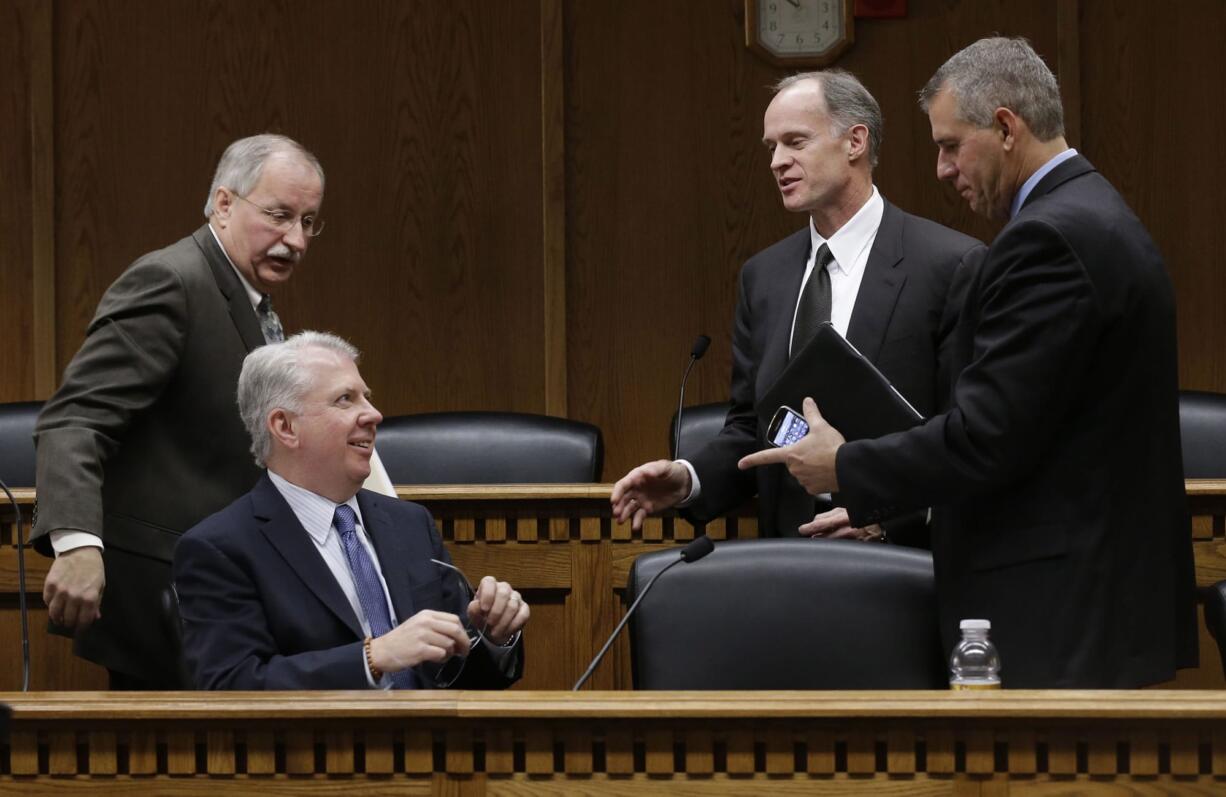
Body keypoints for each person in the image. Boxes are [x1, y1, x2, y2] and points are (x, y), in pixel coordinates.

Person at [740, 37, 1198, 688]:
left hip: (1064, 610)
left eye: (952, 145)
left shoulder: (1047, 240)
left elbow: (987, 436)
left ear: (1006, 127)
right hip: (1094, 600)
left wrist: (843, 464)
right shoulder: (1097, 213)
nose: (941, 170)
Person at [611, 70, 984, 542]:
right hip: (789, 558)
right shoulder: (764, 276)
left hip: (903, 561)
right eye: (771, 147)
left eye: (795, 142)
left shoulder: (949, 265)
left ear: (855, 142)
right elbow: (756, 428)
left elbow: (967, 435)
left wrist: (889, 518)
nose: (777, 162)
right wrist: (689, 478)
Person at [32, 134, 327, 688]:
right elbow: (73, 420)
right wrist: (76, 545)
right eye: (280, 215)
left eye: (309, 222)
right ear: (223, 203)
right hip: (164, 596)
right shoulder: (171, 281)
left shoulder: (245, 296)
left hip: (225, 592)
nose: (296, 240)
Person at [173, 332, 528, 690]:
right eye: (346, 400)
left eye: (367, 399)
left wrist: (492, 636)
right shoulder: (220, 548)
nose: (374, 414)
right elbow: (233, 687)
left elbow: (456, 679)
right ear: (285, 427)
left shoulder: (410, 524)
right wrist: (371, 658)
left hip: (433, 742)